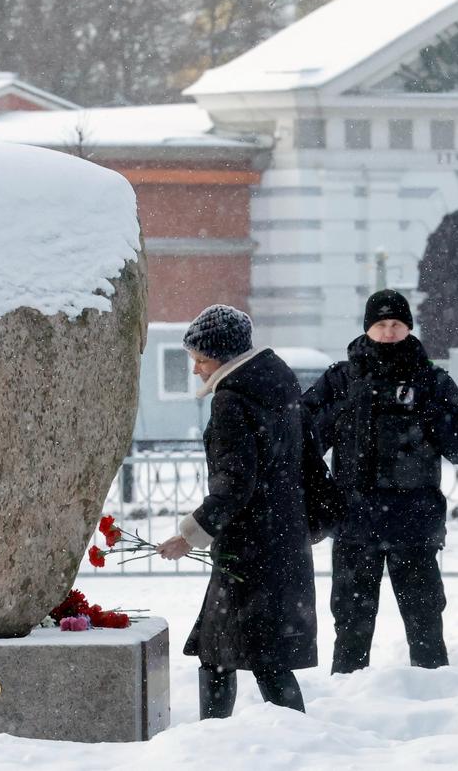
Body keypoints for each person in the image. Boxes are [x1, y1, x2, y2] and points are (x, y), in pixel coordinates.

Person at [302, 289, 458, 674]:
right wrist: (341, 412)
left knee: (425, 622)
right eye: (381, 325)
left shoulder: (432, 380)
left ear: (408, 328)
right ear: (368, 328)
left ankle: (434, 696)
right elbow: (300, 438)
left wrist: (429, 411)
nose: (389, 332)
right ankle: (346, 698)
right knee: (351, 624)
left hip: (414, 523)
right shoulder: (342, 378)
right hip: (354, 521)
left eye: (396, 325)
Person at [156, 304, 317, 719]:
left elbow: (234, 482)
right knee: (267, 656)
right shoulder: (279, 383)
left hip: (248, 547)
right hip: (282, 538)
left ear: (224, 357)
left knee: (219, 653)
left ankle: (213, 741)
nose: (195, 369)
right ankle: (300, 739)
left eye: (200, 359)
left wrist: (189, 534)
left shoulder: (231, 399)